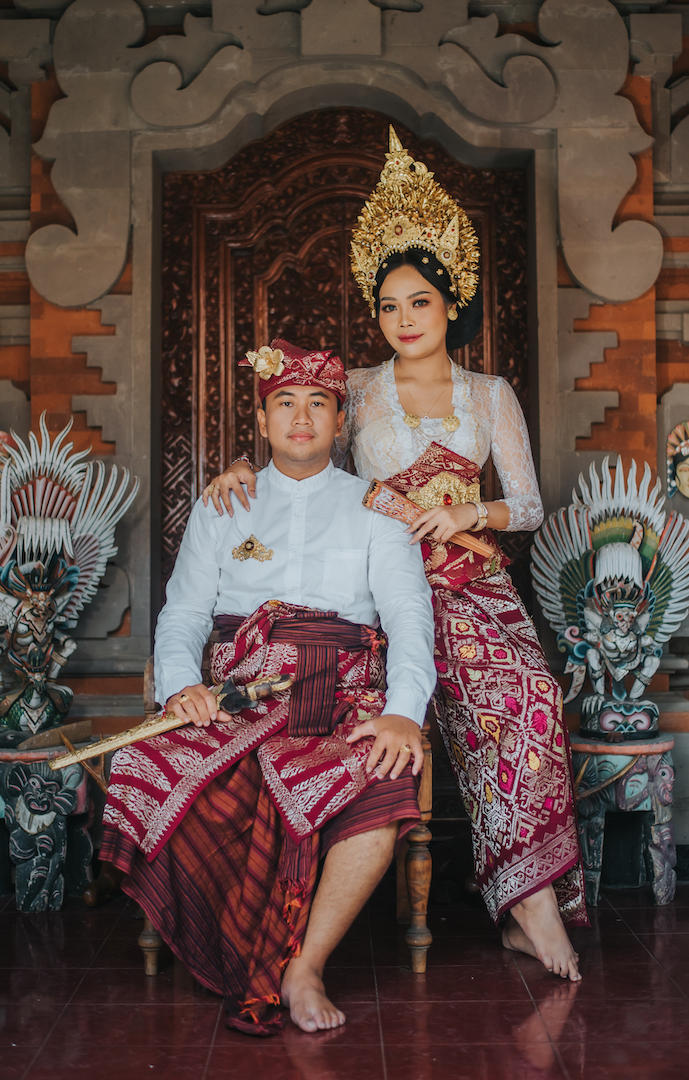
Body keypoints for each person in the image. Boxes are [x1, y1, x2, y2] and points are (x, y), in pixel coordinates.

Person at [204, 127, 589, 982]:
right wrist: (242, 467)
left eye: (419, 302)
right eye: (388, 306)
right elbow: (303, 453)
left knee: (529, 698)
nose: (404, 319)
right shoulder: (358, 390)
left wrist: (466, 511)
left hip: (475, 589)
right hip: (380, 591)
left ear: (451, 302)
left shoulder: (490, 395)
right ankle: (524, 915)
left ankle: (528, 905)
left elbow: (528, 505)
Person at [99, 340, 436, 1036]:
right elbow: (184, 614)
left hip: (343, 697)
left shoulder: (380, 509)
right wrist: (182, 688)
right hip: (237, 699)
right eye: (285, 402)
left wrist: (405, 712)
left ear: (340, 421)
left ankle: (304, 966)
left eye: (318, 404)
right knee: (143, 762)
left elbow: (409, 616)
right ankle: (229, 939)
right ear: (262, 418)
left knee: (384, 778)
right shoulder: (224, 505)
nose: (302, 417)